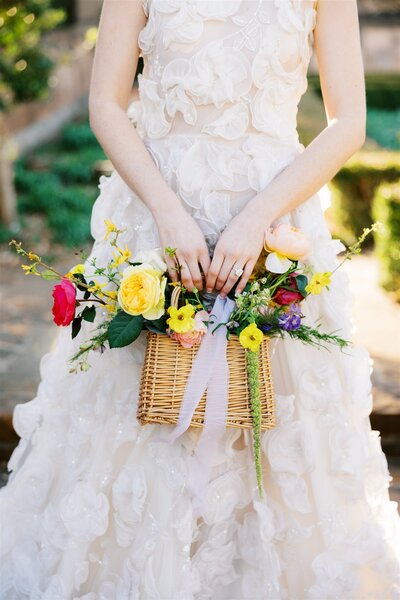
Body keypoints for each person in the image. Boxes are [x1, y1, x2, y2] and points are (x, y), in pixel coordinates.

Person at [1, 0, 399, 598]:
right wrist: (165, 212)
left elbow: (349, 123)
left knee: (280, 424)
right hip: (153, 222)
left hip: (274, 227)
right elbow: (106, 103)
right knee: (135, 416)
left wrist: (261, 218)